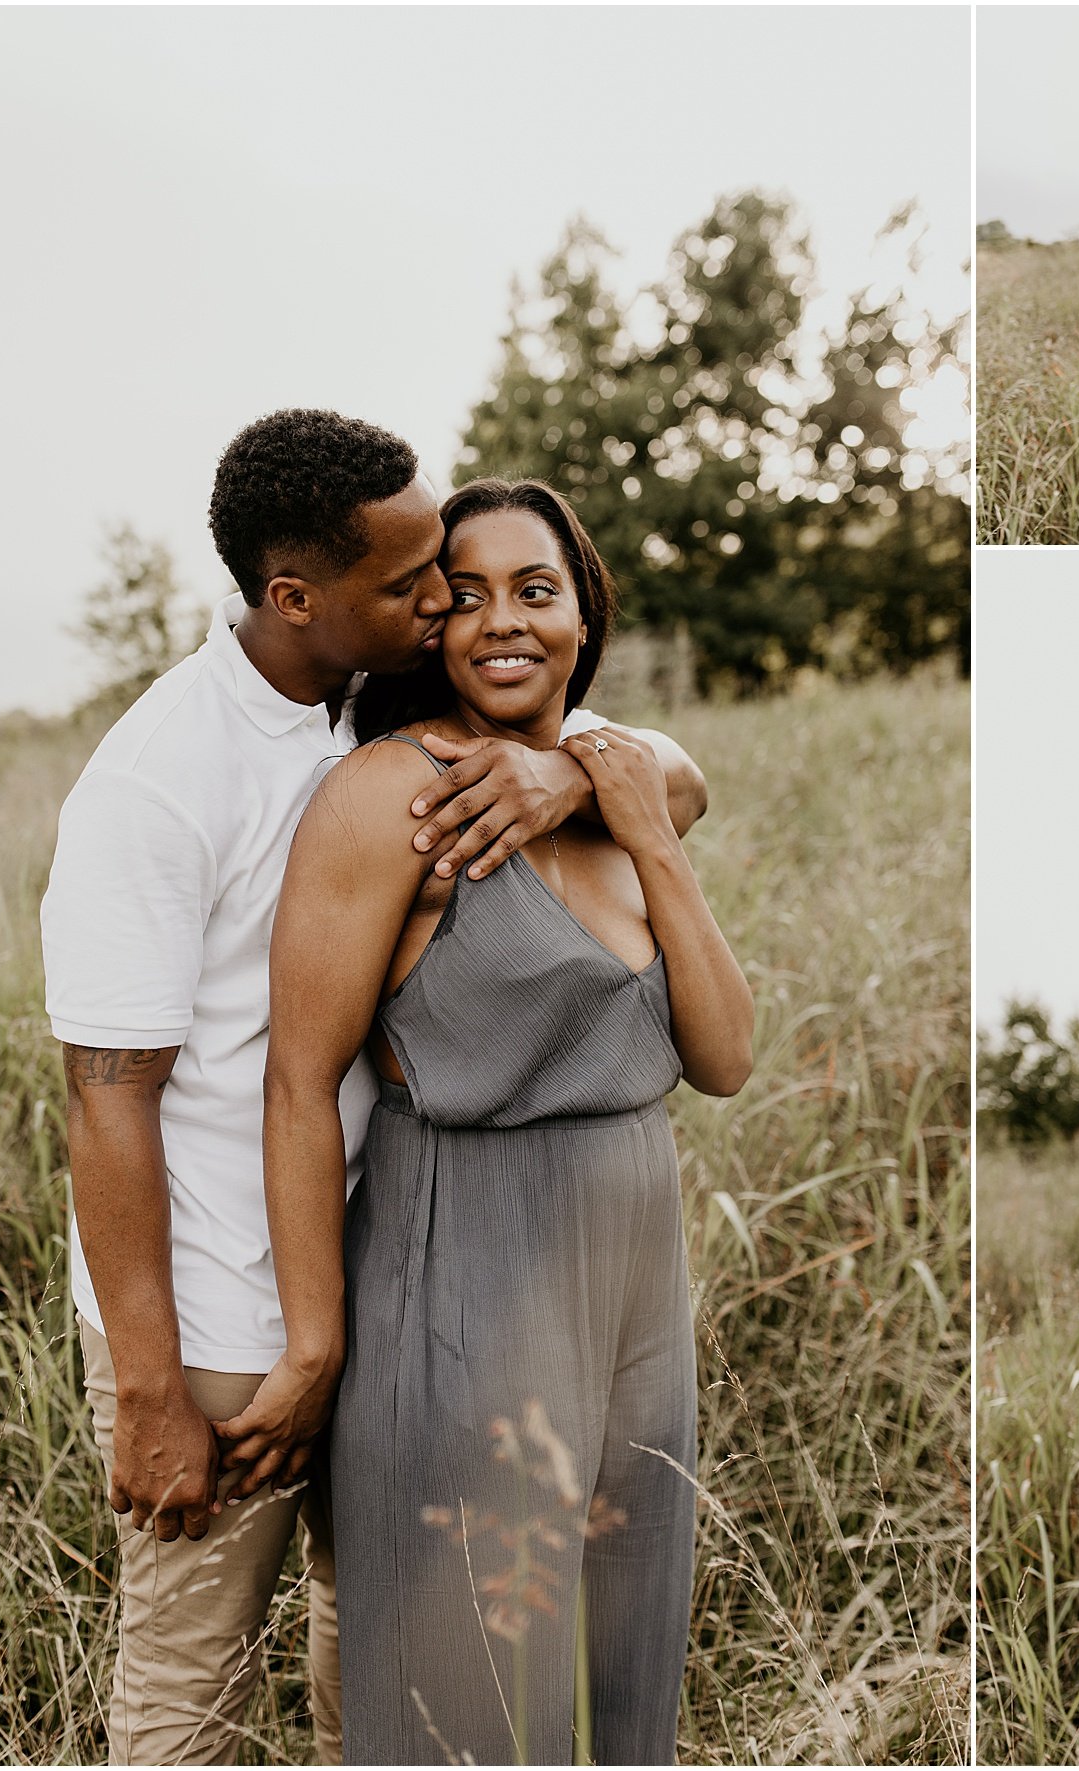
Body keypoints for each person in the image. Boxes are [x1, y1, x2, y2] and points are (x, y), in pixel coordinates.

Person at [40, 410, 706, 1765]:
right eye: (413, 584)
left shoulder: (367, 688)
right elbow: (106, 1099)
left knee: (394, 1622)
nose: (440, 605)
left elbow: (671, 772)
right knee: (190, 1667)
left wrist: (561, 768)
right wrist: (157, 1388)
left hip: (394, 1267)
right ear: (296, 597)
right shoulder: (159, 781)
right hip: (222, 1308)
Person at [221, 477, 753, 1764]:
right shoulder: (387, 797)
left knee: (617, 1661)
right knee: (471, 1682)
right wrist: (312, 1342)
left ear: (584, 612)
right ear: (427, 629)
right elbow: (298, 1083)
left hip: (634, 1270)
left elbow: (724, 1058)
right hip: (462, 1262)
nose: (500, 623)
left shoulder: (617, 778)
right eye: (462, 599)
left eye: (535, 590)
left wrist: (626, 814)